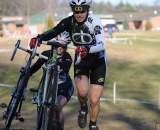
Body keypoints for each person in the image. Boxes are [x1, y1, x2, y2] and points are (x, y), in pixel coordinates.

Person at [29, 0, 107, 130]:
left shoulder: (95, 21)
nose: (79, 14)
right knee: (82, 94)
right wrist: (39, 37)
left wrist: (88, 49)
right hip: (81, 60)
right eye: (76, 10)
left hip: (97, 60)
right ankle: (83, 109)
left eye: (82, 10)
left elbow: (101, 44)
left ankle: (93, 124)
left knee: (94, 100)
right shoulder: (68, 21)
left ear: (87, 8)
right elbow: (54, 31)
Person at [30, 32, 74, 130]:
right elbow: (35, 67)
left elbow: (65, 68)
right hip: (48, 87)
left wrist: (55, 60)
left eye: (63, 46)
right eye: (59, 45)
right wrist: (27, 73)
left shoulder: (67, 57)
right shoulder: (46, 54)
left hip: (64, 87)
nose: (60, 48)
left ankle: (60, 127)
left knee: (57, 107)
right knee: (45, 109)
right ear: (54, 43)